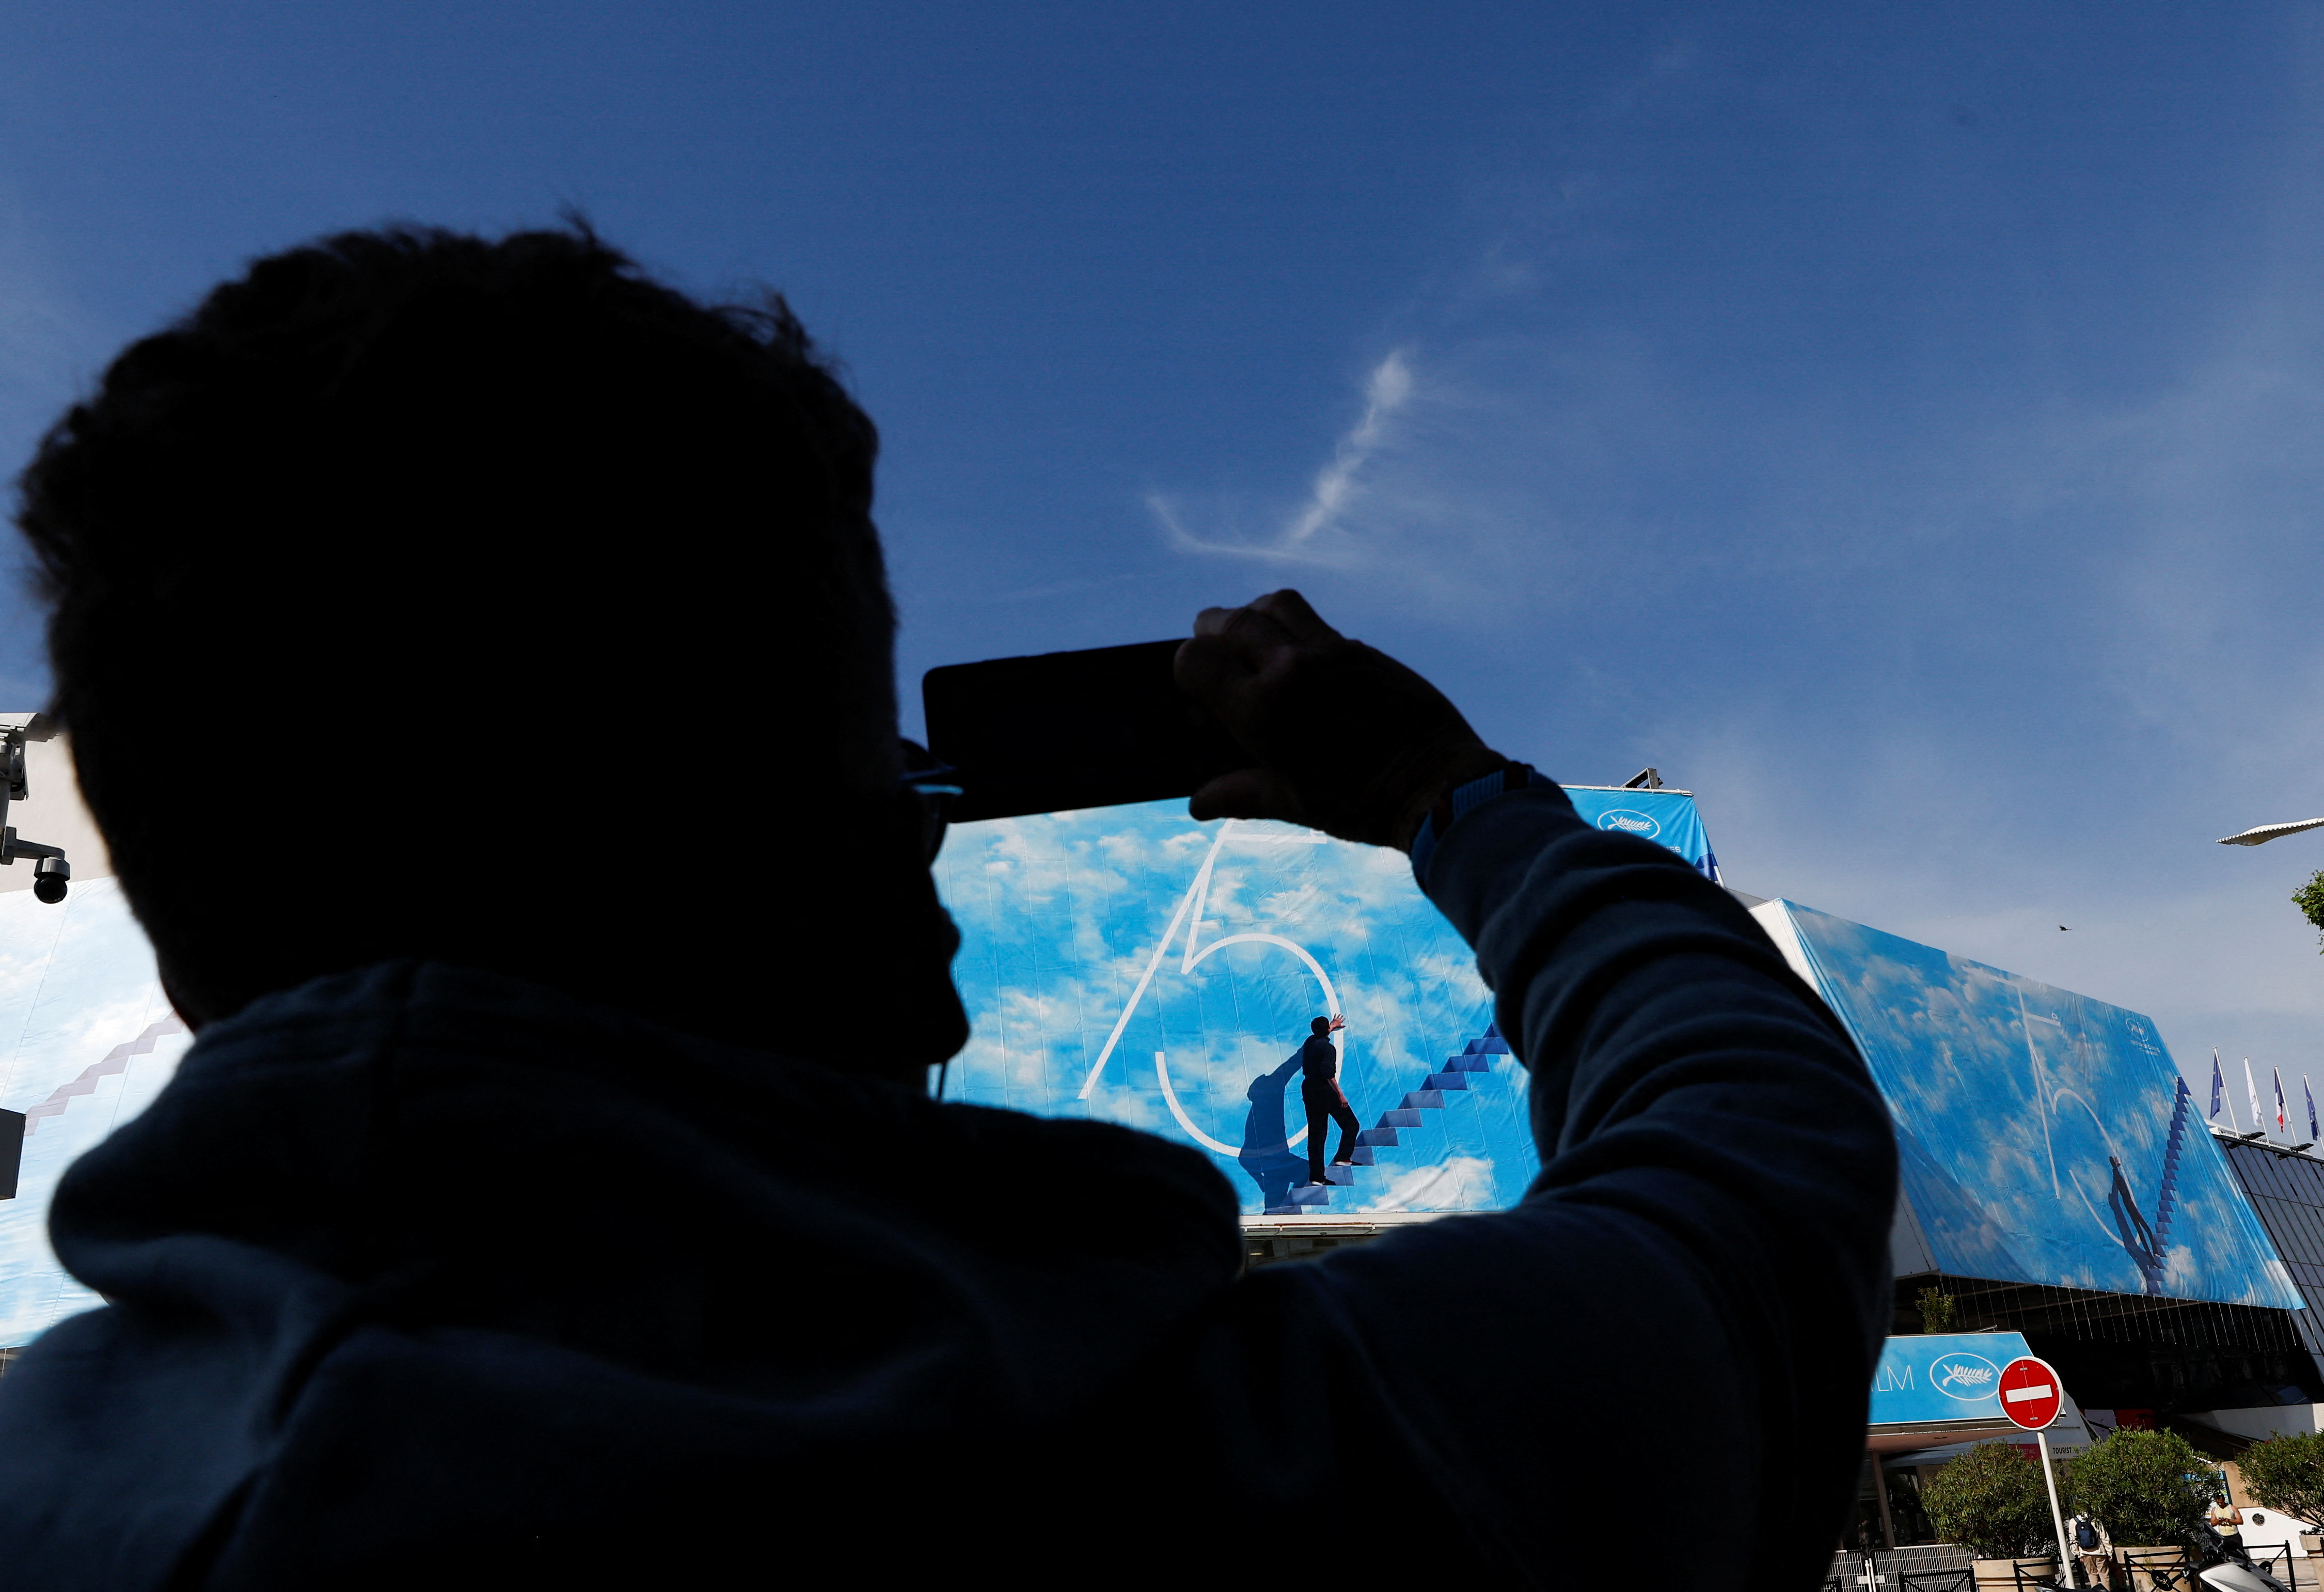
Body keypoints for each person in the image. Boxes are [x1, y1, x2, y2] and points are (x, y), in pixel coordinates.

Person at [0, 224, 1896, 1589]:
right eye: (889, 784)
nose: (927, 858)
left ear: (181, 932)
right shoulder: (1321, 1464)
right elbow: (1760, 1158)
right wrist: (1450, 796)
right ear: (861, 887)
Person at [1301, 1013, 1358, 1186]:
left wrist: (1331, 1026)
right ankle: (1343, 1157)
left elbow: (1320, 1034)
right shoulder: (1328, 1049)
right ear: (1326, 1030)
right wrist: (1340, 1094)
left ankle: (1317, 1177)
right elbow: (1328, 1074)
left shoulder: (1310, 1042)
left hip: (1308, 1089)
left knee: (1317, 1136)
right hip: (1324, 1090)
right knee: (1351, 1125)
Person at [2070, 1507, 2111, 1588]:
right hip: (2099, 1552)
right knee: (2104, 1575)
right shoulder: (2095, 1519)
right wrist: (2110, 1552)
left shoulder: (2073, 1521)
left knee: (2092, 1574)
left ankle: (2095, 1590)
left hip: (2085, 1552)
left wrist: (2078, 1554)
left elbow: (2073, 1539)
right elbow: (2104, 1537)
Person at [2211, 1493, 2247, 1560]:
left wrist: (2229, 1521)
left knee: (2241, 1554)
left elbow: (2240, 1521)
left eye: (2221, 1503)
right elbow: (2213, 1523)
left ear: (2224, 1501)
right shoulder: (2215, 1510)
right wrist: (2219, 1521)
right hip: (2223, 1536)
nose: (2220, 1504)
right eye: (2218, 1503)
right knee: (2228, 1555)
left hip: (2234, 1535)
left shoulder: (2232, 1508)